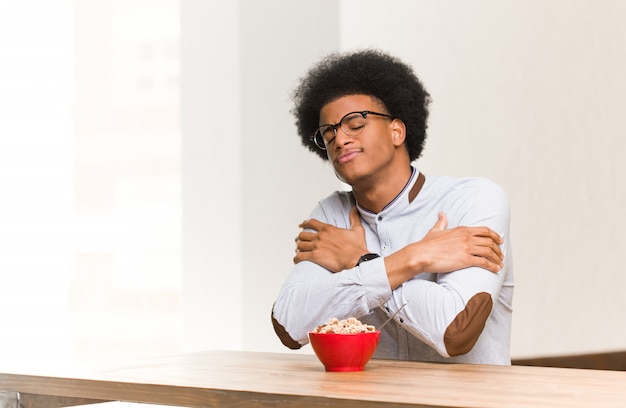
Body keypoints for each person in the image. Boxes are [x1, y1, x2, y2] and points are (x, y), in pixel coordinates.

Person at [271, 49, 514, 365]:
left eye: (355, 123)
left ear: (397, 131)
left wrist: (358, 260)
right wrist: (413, 257)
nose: (339, 139)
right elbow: (289, 325)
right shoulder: (332, 214)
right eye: (328, 133)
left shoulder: (473, 200)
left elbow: (455, 331)